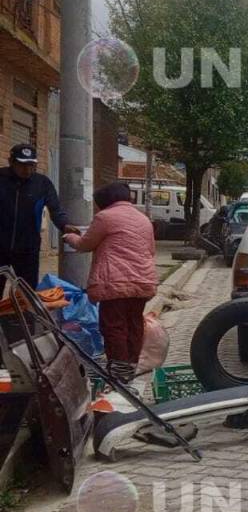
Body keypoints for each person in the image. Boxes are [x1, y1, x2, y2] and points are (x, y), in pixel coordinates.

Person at [63, 182, 158, 383]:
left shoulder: (105, 217)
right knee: (134, 323)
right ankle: (131, 367)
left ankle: (120, 372)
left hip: (115, 282)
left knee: (113, 326)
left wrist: (69, 236)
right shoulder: (143, 219)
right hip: (142, 280)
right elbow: (150, 250)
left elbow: (84, 245)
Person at [0, 144, 80, 287]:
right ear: (11, 162)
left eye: (31, 165)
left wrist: (64, 225)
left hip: (27, 248)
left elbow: (55, 208)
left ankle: (26, 310)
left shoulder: (42, 183)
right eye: (22, 164)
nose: (27, 169)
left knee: (27, 291)